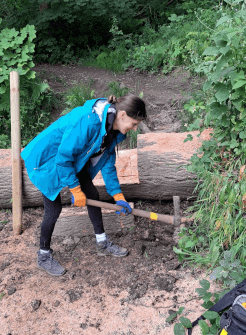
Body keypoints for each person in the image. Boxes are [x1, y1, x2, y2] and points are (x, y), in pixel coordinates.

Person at [21, 93, 147, 276]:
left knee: (92, 195)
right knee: (53, 209)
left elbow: (108, 165)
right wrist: (75, 189)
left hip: (72, 160)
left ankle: (102, 243)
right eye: (134, 123)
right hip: (45, 160)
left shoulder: (112, 130)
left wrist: (118, 196)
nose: (134, 128)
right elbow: (63, 158)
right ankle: (43, 256)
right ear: (122, 115)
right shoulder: (89, 121)